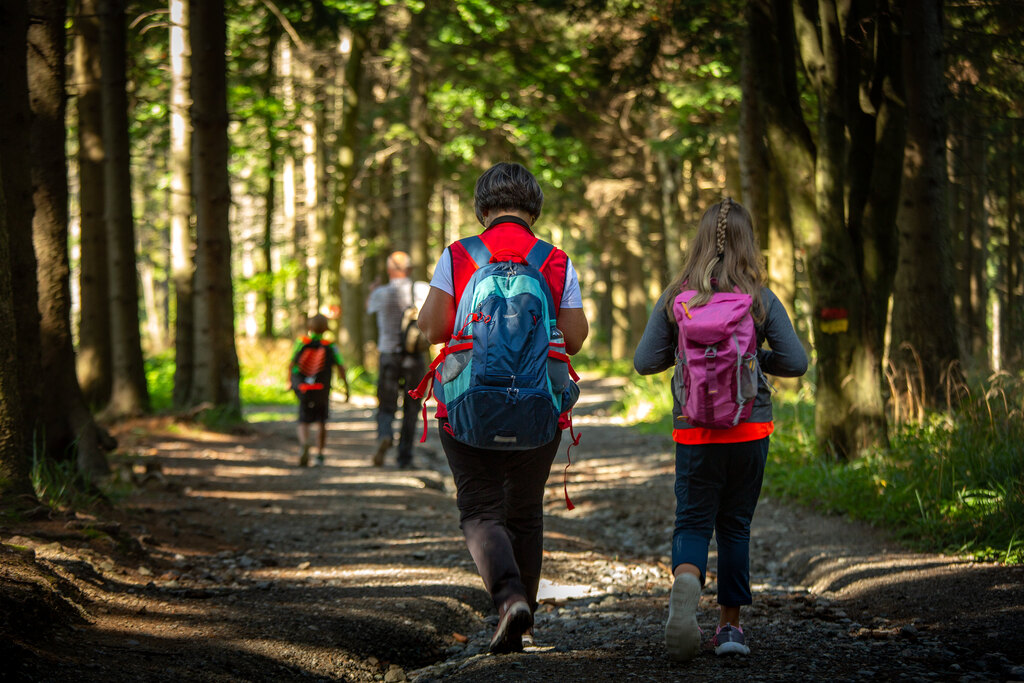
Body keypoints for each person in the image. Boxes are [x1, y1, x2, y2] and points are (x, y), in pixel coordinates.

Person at [417, 162, 589, 654]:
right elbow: (574, 339)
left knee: (479, 508)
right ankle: (525, 626)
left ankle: (509, 600)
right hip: (538, 408)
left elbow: (433, 331)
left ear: (483, 208)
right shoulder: (555, 260)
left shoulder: (458, 255)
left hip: (468, 407)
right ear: (534, 209)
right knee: (525, 513)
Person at [633, 197, 807, 661]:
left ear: (699, 242)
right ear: (749, 245)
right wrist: (756, 361)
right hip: (750, 429)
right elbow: (796, 362)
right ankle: (730, 629)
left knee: (692, 520)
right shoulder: (760, 299)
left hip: (694, 431)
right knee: (735, 526)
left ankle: (687, 578)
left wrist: (689, 354)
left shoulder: (676, 298)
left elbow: (645, 361)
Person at [366, 251, 431, 468]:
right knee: (411, 407)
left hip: (388, 355)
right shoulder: (421, 289)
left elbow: (369, 308)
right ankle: (405, 457)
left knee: (385, 404)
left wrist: (372, 291)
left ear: (388, 270)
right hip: (414, 356)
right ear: (410, 269)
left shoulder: (380, 293)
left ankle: (384, 434)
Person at [289, 313, 350, 467]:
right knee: (322, 421)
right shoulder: (330, 346)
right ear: (326, 329)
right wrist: (346, 387)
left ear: (310, 327)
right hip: (322, 390)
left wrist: (290, 381)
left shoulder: (301, 342)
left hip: (304, 389)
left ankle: (304, 445)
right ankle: (320, 454)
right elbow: (340, 367)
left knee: (303, 420)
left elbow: (291, 364)